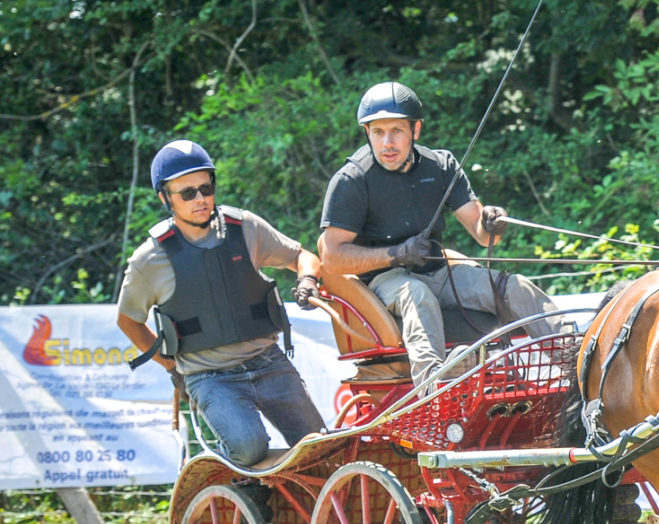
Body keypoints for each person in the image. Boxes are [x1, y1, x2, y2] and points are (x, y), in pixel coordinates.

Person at [318, 81, 565, 386]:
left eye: (397, 131)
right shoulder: (352, 180)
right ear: (367, 133)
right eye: (377, 132)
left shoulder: (441, 166)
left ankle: (575, 357)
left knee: (514, 286)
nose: (387, 143)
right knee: (416, 294)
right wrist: (396, 254)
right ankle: (433, 382)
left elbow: (483, 234)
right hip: (384, 280)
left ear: (416, 130)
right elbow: (331, 256)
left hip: (438, 271)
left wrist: (491, 222)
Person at [117, 139, 326, 467]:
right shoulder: (150, 258)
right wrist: (171, 366)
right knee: (249, 447)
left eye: (206, 187)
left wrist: (307, 280)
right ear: (164, 197)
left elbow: (302, 256)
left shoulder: (244, 228)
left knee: (318, 447)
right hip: (209, 376)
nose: (200, 198)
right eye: (187, 193)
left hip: (269, 362)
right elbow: (128, 319)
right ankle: (237, 483)